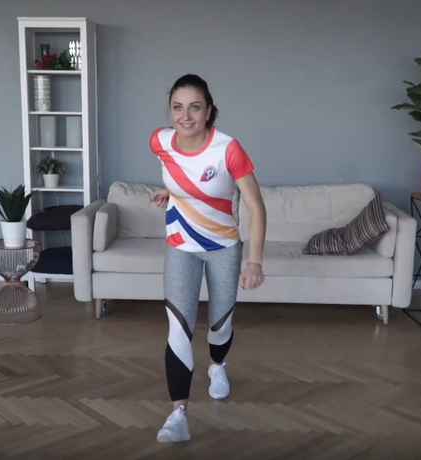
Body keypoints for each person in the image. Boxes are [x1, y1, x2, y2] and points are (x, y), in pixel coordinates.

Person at [149, 74, 267, 443]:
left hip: (223, 248)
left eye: (194, 107)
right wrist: (170, 194)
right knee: (178, 328)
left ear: (209, 111)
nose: (185, 116)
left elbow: (256, 206)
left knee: (220, 326)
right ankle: (178, 415)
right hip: (180, 246)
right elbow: (180, 178)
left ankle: (218, 366)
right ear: (170, 110)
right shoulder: (159, 141)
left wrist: (254, 261)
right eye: (177, 107)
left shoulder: (228, 148)